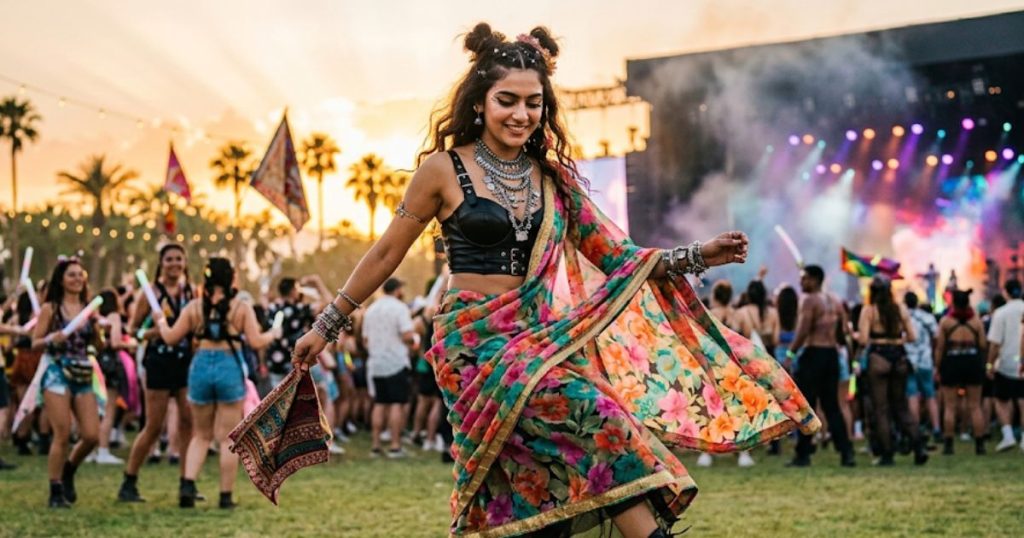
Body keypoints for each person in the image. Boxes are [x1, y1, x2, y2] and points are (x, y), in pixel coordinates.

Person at [287, 23, 817, 538]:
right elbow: (385, 254)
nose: (521, 114)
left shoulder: (553, 182)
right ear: (479, 102)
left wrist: (698, 255)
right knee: (596, 418)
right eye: (507, 100)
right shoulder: (444, 170)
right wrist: (327, 324)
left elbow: (619, 257)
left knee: (546, 469)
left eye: (532, 103)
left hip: (537, 340)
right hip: (472, 346)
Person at [153, 257, 280, 509]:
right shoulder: (241, 307)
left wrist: (160, 320)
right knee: (227, 439)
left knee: (201, 435)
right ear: (231, 277)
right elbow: (255, 342)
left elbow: (169, 337)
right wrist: (273, 333)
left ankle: (187, 486)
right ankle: (225, 496)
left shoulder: (194, 307)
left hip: (200, 366)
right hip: (228, 367)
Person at [118, 243, 196, 503]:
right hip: (158, 362)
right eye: (169, 259)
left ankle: (187, 482)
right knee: (153, 426)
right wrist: (151, 332)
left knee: (188, 423)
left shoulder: (191, 292)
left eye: (178, 259)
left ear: (184, 263)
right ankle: (129, 481)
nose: (174, 263)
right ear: (161, 263)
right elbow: (132, 329)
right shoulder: (149, 293)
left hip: (185, 362)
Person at [30, 257, 105, 508]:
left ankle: (69, 470)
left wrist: (98, 331)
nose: (77, 279)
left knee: (92, 435)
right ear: (61, 280)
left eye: (80, 274)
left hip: (83, 372)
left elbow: (97, 345)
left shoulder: (88, 309)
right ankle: (55, 489)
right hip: (56, 371)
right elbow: (35, 342)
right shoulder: (50, 308)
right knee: (62, 432)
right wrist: (53, 337)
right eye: (71, 275)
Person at [784, 265, 854, 468]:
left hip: (814, 354)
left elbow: (803, 330)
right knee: (832, 406)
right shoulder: (834, 300)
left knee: (807, 407)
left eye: (805, 279)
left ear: (815, 280)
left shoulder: (809, 300)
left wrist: (790, 354)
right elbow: (843, 331)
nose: (801, 282)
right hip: (831, 355)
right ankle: (846, 452)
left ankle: (803, 454)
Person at [857, 276, 927, 466]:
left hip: (878, 358)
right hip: (899, 358)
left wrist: (863, 337)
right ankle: (918, 446)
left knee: (881, 409)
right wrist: (896, 341)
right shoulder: (900, 309)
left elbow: (863, 340)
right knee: (901, 406)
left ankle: (887, 453)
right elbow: (912, 336)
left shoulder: (869, 311)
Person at [362, 277, 417, 458]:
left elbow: (365, 339)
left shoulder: (371, 310)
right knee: (396, 404)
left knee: (379, 403)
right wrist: (413, 342)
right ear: (397, 289)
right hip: (395, 361)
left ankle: (376, 445)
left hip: (376, 362)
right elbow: (408, 335)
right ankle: (395, 446)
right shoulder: (400, 308)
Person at [935, 288, 987, 455]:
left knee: (950, 406)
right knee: (975, 405)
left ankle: (949, 444)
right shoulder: (976, 322)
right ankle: (979, 444)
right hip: (972, 362)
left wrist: (937, 366)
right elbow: (983, 345)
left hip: (952, 362)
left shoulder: (946, 322)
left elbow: (940, 347)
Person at [986, 279, 1024, 452]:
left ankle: (1008, 434)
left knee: (1001, 399)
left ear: (1006, 292)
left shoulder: (1001, 313)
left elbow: (994, 343)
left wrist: (989, 364)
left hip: (1006, 362)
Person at [903, 291, 941, 443]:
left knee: (912, 396)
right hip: (926, 360)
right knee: (930, 396)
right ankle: (936, 428)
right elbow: (937, 338)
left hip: (908, 361)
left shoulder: (903, 318)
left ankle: (916, 429)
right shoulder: (927, 317)